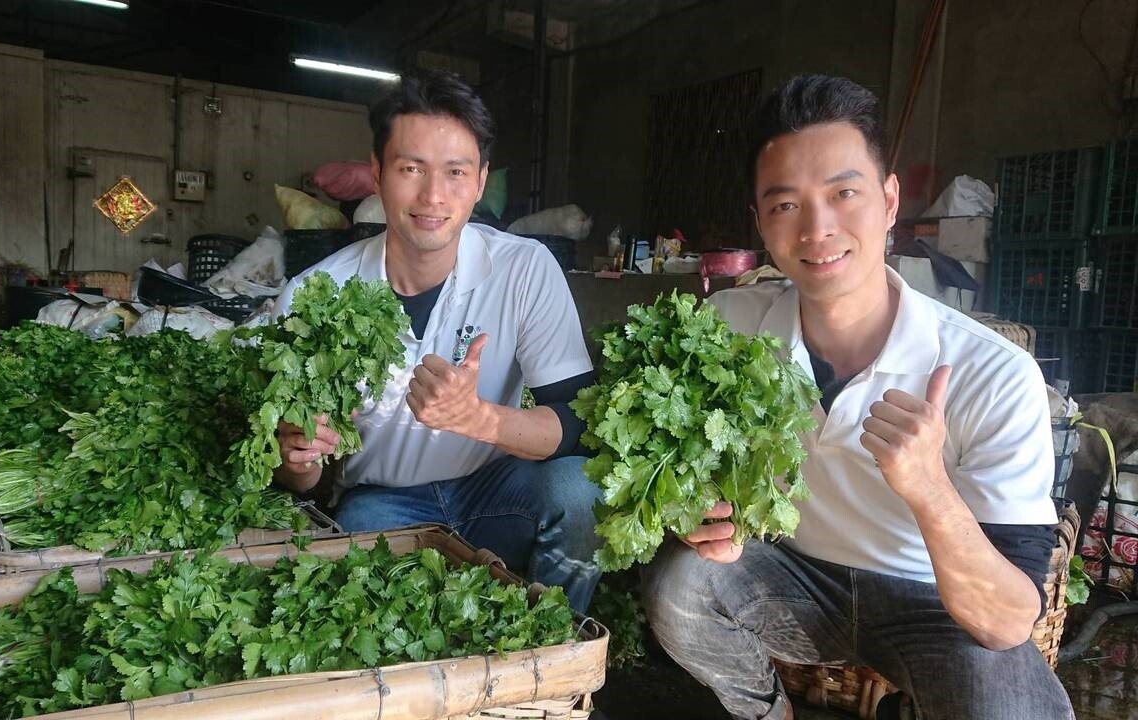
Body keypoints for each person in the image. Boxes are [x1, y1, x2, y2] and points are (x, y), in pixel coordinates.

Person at [642, 75, 1073, 720]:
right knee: (678, 585)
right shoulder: (726, 328)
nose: (818, 228)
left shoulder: (993, 374)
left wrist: (928, 486)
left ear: (890, 199)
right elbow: (679, 472)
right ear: (760, 221)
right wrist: (699, 514)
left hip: (934, 604)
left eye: (844, 193)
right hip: (792, 576)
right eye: (786, 205)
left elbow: (1009, 621)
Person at [269, 70, 602, 611]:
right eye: (410, 169)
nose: (432, 196)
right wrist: (299, 460)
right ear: (377, 174)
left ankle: (556, 653)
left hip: (498, 491)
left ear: (479, 181)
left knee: (579, 492)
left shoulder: (523, 268)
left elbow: (582, 420)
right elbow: (297, 478)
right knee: (356, 545)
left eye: (454, 172)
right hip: (381, 505)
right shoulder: (315, 294)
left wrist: (482, 420)